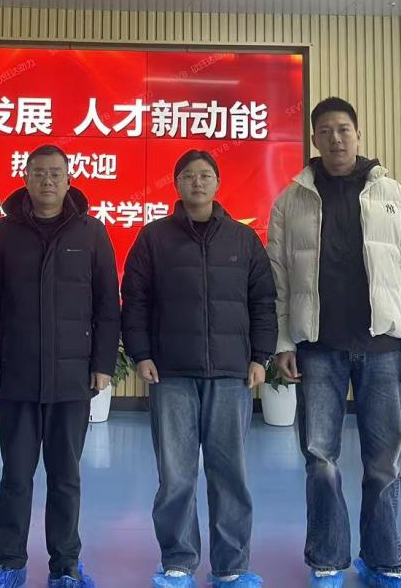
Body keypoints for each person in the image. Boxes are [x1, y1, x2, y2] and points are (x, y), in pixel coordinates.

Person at [266, 98, 401, 588]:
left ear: (357, 134)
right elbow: (278, 280)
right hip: (318, 348)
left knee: (383, 462)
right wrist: (283, 341)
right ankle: (327, 558)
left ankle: (382, 560)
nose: (336, 139)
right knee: (320, 459)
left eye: (343, 129)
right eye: (325, 131)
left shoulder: (391, 194)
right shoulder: (291, 200)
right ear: (314, 140)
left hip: (382, 347)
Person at [121, 150, 274, 588]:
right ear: (177, 184)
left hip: (230, 374)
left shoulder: (244, 240)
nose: (198, 182)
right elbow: (135, 300)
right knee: (176, 476)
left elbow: (263, 302)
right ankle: (178, 561)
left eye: (206, 175)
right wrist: (141, 354)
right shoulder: (154, 238)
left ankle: (231, 566)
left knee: (230, 476)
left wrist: (260, 356)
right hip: (171, 373)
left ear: (218, 183)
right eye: (189, 175)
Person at [0, 144, 121, 588]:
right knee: (16, 476)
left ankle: (66, 566)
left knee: (65, 477)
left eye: (56, 173)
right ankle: (9, 564)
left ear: (70, 179)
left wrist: (103, 363)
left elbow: (106, 305)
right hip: (15, 375)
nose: (48, 180)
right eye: (39, 173)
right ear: (25, 178)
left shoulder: (91, 232)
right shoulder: (3, 232)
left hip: (72, 378)